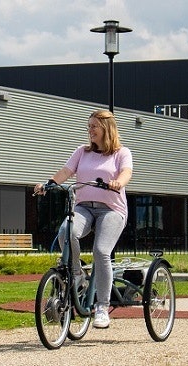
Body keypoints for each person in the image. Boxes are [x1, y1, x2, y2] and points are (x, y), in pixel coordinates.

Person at [34, 109, 133, 329]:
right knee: (65, 233)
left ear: (106, 128)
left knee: (101, 251)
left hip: (112, 209)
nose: (90, 131)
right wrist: (48, 184)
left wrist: (118, 182)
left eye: (94, 126)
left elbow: (127, 172)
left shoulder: (121, 153)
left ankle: (101, 307)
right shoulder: (82, 152)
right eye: (88, 127)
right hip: (84, 208)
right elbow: (66, 171)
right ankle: (77, 274)